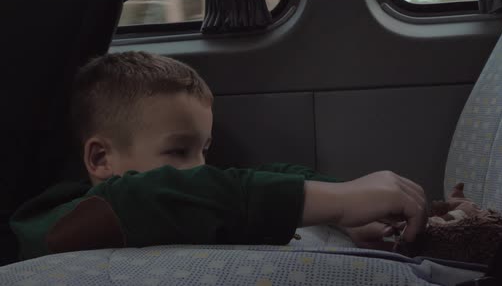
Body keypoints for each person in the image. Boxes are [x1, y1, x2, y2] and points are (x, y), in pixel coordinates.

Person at [10, 51, 427, 260]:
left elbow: (247, 175)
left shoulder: (174, 195)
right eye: (178, 151)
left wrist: (350, 206)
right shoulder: (66, 221)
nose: (199, 167)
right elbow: (159, 196)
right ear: (101, 159)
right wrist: (339, 203)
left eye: (203, 150)